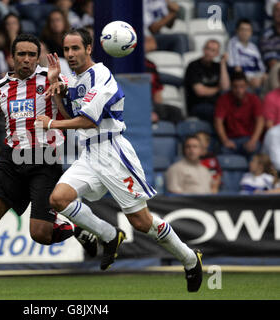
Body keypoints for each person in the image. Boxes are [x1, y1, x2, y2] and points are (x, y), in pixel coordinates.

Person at [36, 28, 203, 292]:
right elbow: (72, 115)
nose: (70, 54)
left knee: (142, 222)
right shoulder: (76, 80)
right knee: (58, 199)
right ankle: (109, 235)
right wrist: (57, 89)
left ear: (89, 49)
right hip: (89, 153)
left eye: (76, 48)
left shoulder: (101, 75)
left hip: (113, 153)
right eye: (66, 50)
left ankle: (190, 259)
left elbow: (87, 120)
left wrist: (51, 124)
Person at [0, 33, 101, 297]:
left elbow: (77, 111)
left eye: (31, 55)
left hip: (44, 161)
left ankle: (76, 229)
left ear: (38, 57)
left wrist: (62, 89)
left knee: (40, 234)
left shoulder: (52, 78)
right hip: (12, 161)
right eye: (21, 54)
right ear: (11, 57)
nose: (26, 59)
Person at [214, 71, 265, 158]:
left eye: (242, 87)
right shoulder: (223, 99)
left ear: (246, 86)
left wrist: (253, 140)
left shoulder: (253, 99)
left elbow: (260, 121)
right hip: (231, 140)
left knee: (256, 153)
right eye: (235, 87)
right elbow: (218, 121)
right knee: (222, 153)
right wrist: (225, 140)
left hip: (249, 138)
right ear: (231, 86)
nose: (238, 90)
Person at [184, 39, 230, 123]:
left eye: (213, 50)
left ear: (217, 54)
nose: (209, 52)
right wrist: (218, 89)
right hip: (198, 105)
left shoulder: (217, 67)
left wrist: (223, 64)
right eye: (207, 49)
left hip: (216, 103)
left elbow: (225, 87)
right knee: (219, 113)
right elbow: (200, 91)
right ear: (203, 49)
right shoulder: (193, 66)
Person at [227, 19, 266, 93]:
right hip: (242, 78)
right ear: (237, 31)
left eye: (248, 30)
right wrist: (249, 80)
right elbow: (237, 69)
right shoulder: (232, 43)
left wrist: (261, 78)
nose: (245, 32)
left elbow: (261, 68)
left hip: (256, 77)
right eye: (242, 29)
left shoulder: (253, 47)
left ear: (251, 32)